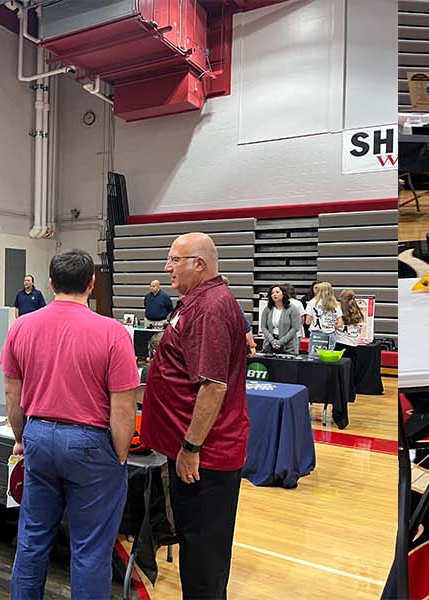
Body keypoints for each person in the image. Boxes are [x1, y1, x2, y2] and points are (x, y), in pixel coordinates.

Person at [0, 249, 139, 600]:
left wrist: (22, 438)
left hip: (38, 437)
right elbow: (123, 406)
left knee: (31, 540)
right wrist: (120, 455)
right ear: (91, 284)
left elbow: (12, 393)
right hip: (90, 443)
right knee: (91, 550)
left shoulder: (22, 326)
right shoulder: (113, 332)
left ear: (50, 283)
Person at [141, 232, 251, 598]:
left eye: (174, 260)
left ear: (199, 264)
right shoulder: (197, 302)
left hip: (206, 458)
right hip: (198, 453)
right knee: (196, 550)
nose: (167, 267)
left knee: (203, 560)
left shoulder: (209, 309)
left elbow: (214, 386)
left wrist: (190, 447)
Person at [259, 284, 305, 355]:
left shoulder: (292, 308)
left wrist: (281, 342)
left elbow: (295, 328)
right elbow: (263, 327)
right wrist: (272, 341)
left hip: (288, 346)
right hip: (270, 344)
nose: (274, 294)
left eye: (277, 292)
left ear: (283, 294)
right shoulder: (267, 309)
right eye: (272, 293)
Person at [306, 281, 342, 357]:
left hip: (317, 334)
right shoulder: (336, 304)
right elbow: (340, 324)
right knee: (328, 358)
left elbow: (307, 321)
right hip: (330, 334)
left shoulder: (312, 302)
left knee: (314, 358)